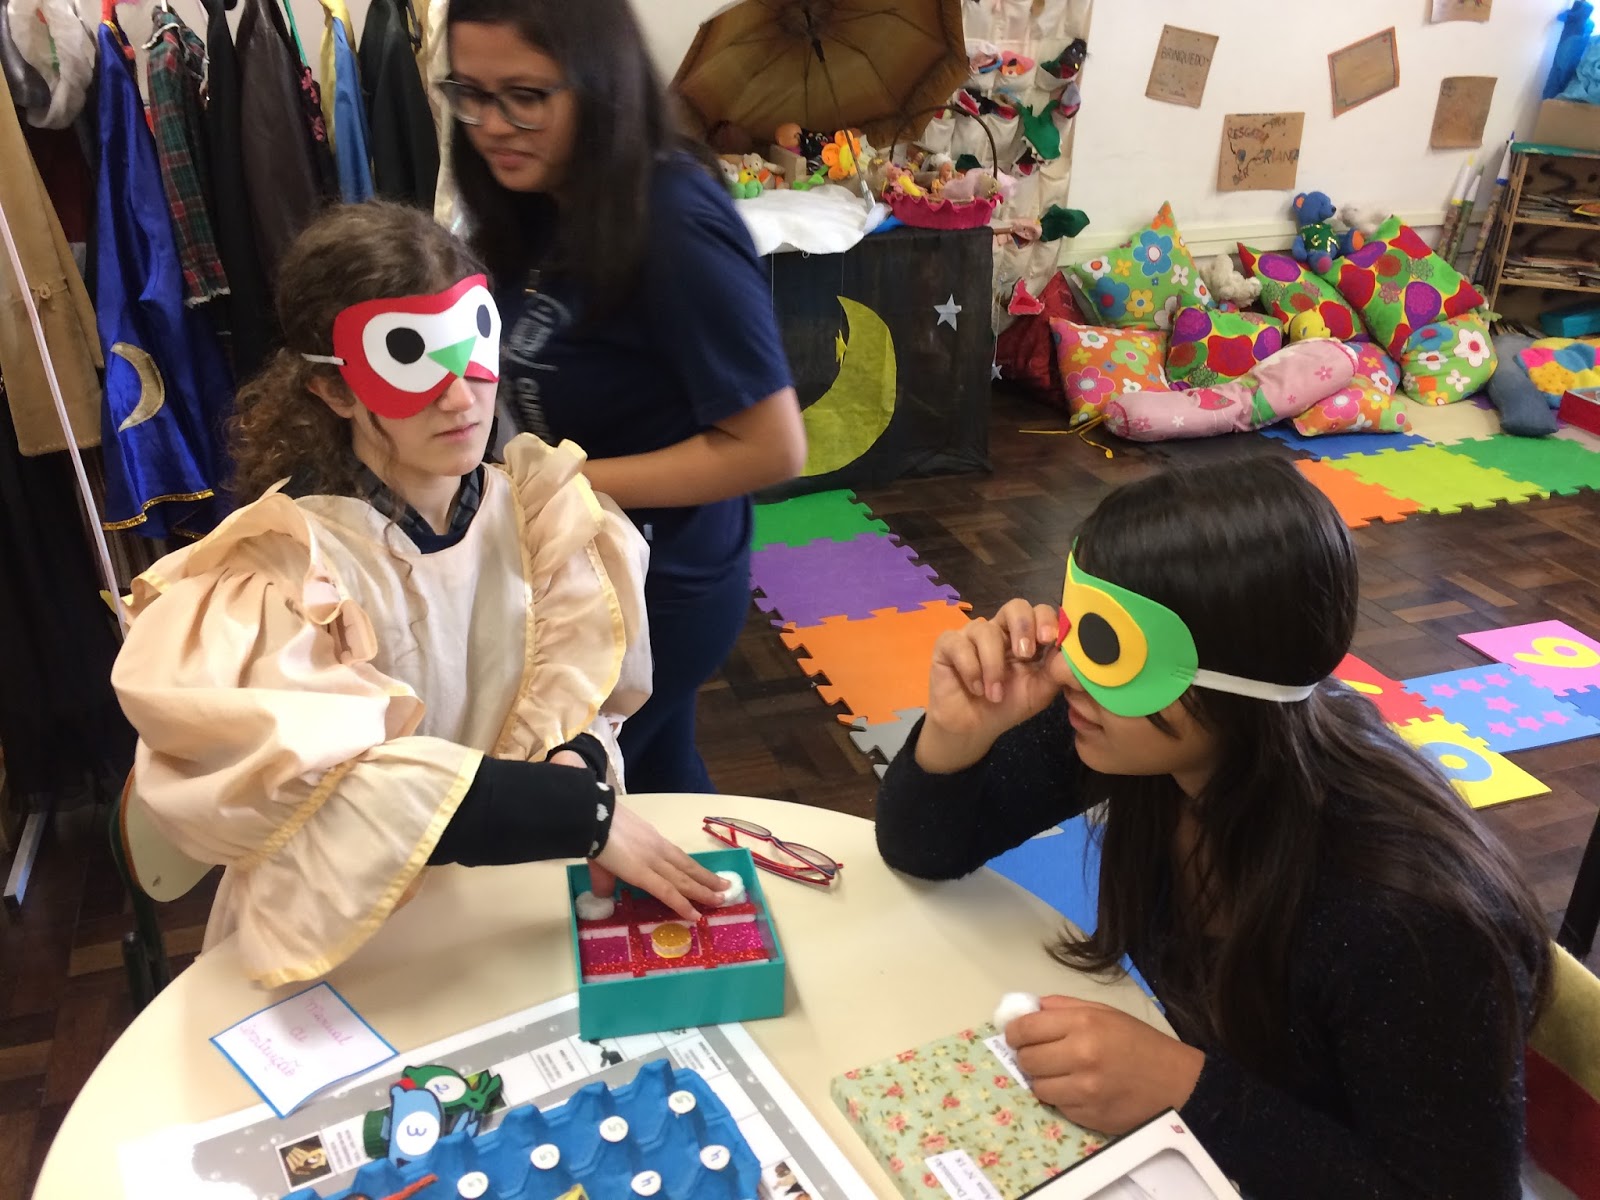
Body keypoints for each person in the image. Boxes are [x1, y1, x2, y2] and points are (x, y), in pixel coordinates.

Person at [875, 457, 1552, 1199]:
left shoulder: (1408, 921)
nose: (1065, 670)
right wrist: (958, 734)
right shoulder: (1148, 741)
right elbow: (922, 850)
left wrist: (1186, 1087)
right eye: (1073, 627)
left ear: (1234, 679)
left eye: (1108, 647)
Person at [112, 203, 726, 989]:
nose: (461, 399)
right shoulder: (284, 576)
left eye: (473, 349)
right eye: (409, 363)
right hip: (344, 934)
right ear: (333, 390)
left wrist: (573, 756)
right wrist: (575, 813)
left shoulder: (540, 519)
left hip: (499, 904)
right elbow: (330, 793)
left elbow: (574, 695)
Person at [441, 0, 806, 794]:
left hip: (661, 583)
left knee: (579, 797)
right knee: (658, 780)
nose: (492, 125)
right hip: (588, 558)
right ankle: (712, 877)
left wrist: (548, 486)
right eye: (471, 93)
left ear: (599, 84)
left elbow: (774, 446)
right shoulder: (534, 202)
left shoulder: (672, 219)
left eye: (524, 96)